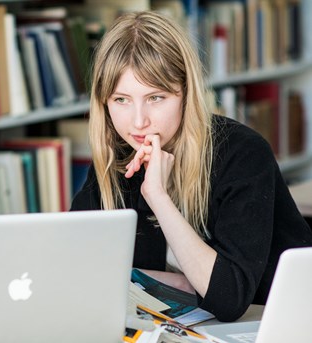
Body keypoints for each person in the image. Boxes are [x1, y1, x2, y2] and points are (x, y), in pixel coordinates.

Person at [71, 11, 312, 322]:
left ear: (186, 93)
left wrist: (158, 196)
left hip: (276, 323)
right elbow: (75, 267)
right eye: (121, 99)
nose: (138, 121)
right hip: (181, 325)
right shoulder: (117, 160)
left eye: (155, 97)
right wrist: (182, 284)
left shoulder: (243, 154)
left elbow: (228, 300)